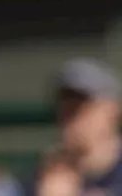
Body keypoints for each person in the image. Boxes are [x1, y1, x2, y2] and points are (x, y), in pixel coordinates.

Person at [46, 58, 122, 196]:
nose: (70, 115)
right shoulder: (41, 177)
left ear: (113, 108)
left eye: (82, 105)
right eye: (64, 102)